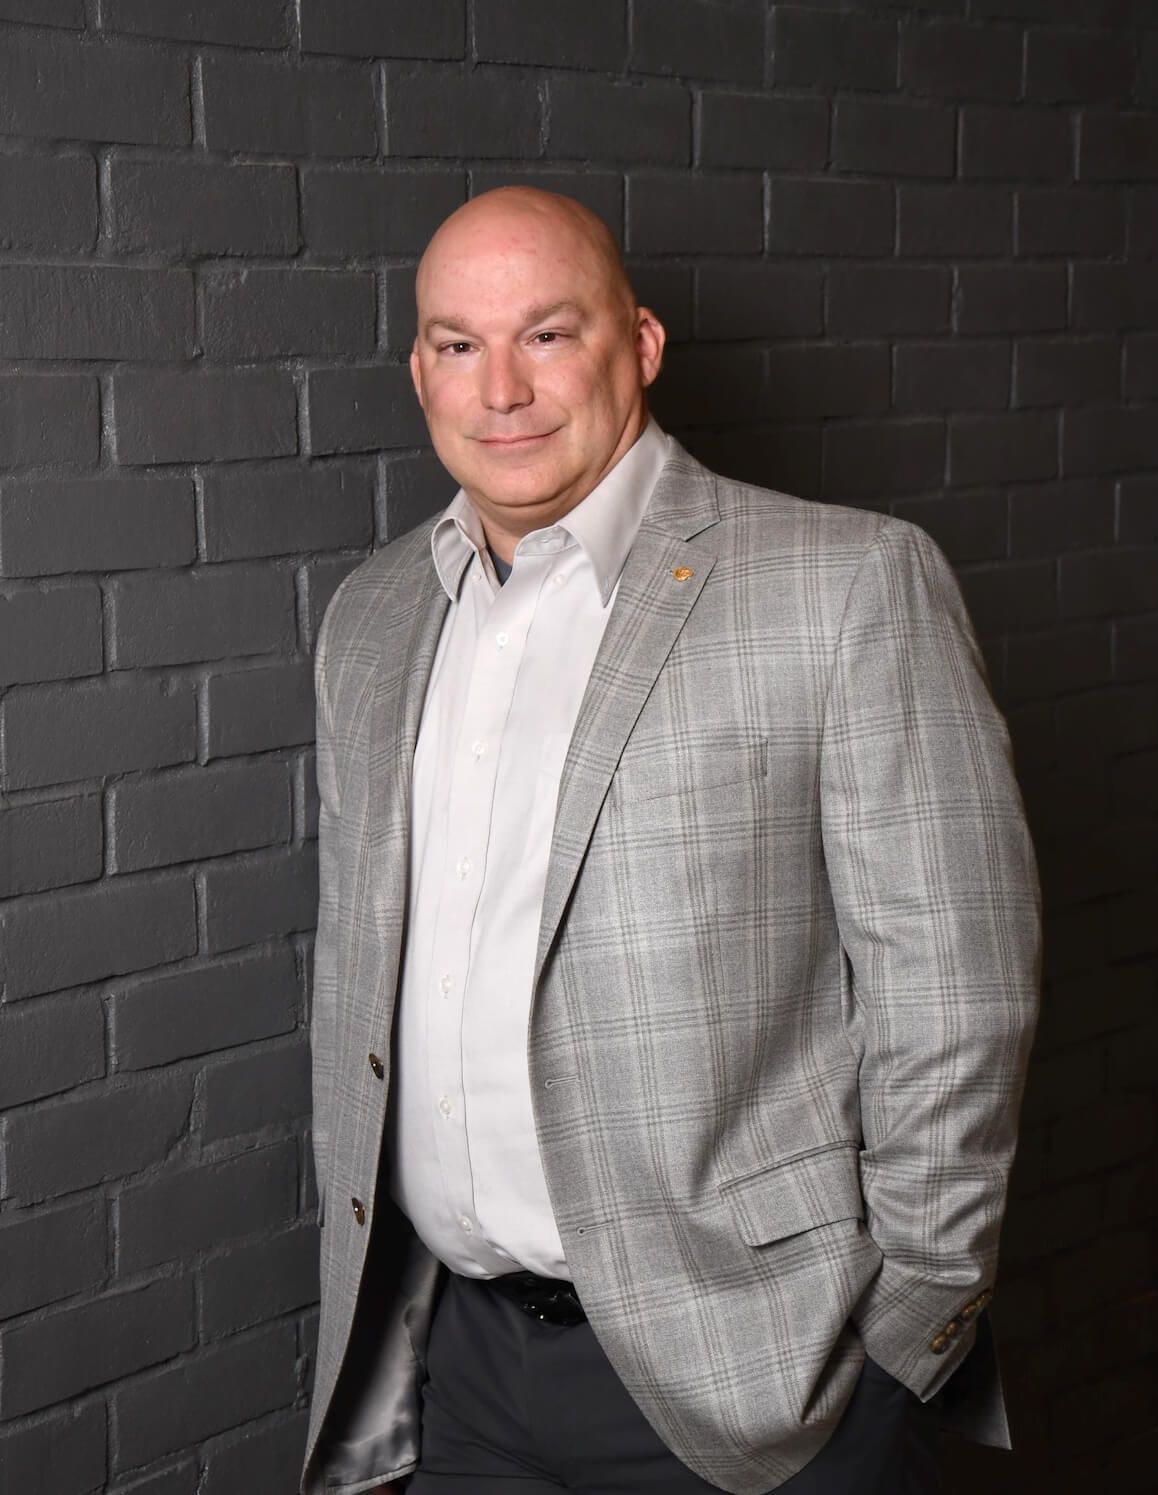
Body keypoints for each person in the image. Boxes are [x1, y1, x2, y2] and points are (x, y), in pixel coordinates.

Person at [301, 187, 1040, 1495]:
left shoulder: (844, 585)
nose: (504, 390)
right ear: (418, 369)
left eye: (549, 334)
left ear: (637, 345)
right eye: (459, 345)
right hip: (460, 1375)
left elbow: (959, 997)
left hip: (765, 1390)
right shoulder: (371, 622)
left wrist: (900, 1356)